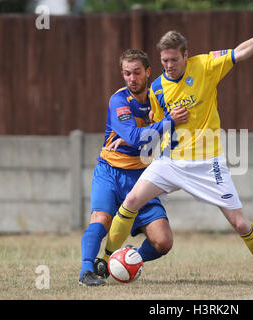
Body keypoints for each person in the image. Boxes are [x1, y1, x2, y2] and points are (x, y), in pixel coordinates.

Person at [108, 8, 253, 285]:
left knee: (241, 224)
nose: (169, 65)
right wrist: (148, 124)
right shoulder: (158, 87)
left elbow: (241, 52)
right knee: (132, 201)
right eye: (164, 61)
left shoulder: (206, 65)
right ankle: (105, 260)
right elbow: (158, 127)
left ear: (186, 55)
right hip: (170, 161)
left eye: (174, 59)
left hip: (208, 163)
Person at [78, 49, 189, 286]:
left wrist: (152, 127)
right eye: (127, 74)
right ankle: (86, 271)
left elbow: (157, 132)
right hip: (110, 171)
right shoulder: (119, 100)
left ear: (148, 72)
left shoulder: (158, 98)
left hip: (142, 176)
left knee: (163, 242)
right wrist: (165, 122)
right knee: (101, 219)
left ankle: (126, 258)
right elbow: (136, 136)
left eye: (137, 73)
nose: (132, 79)